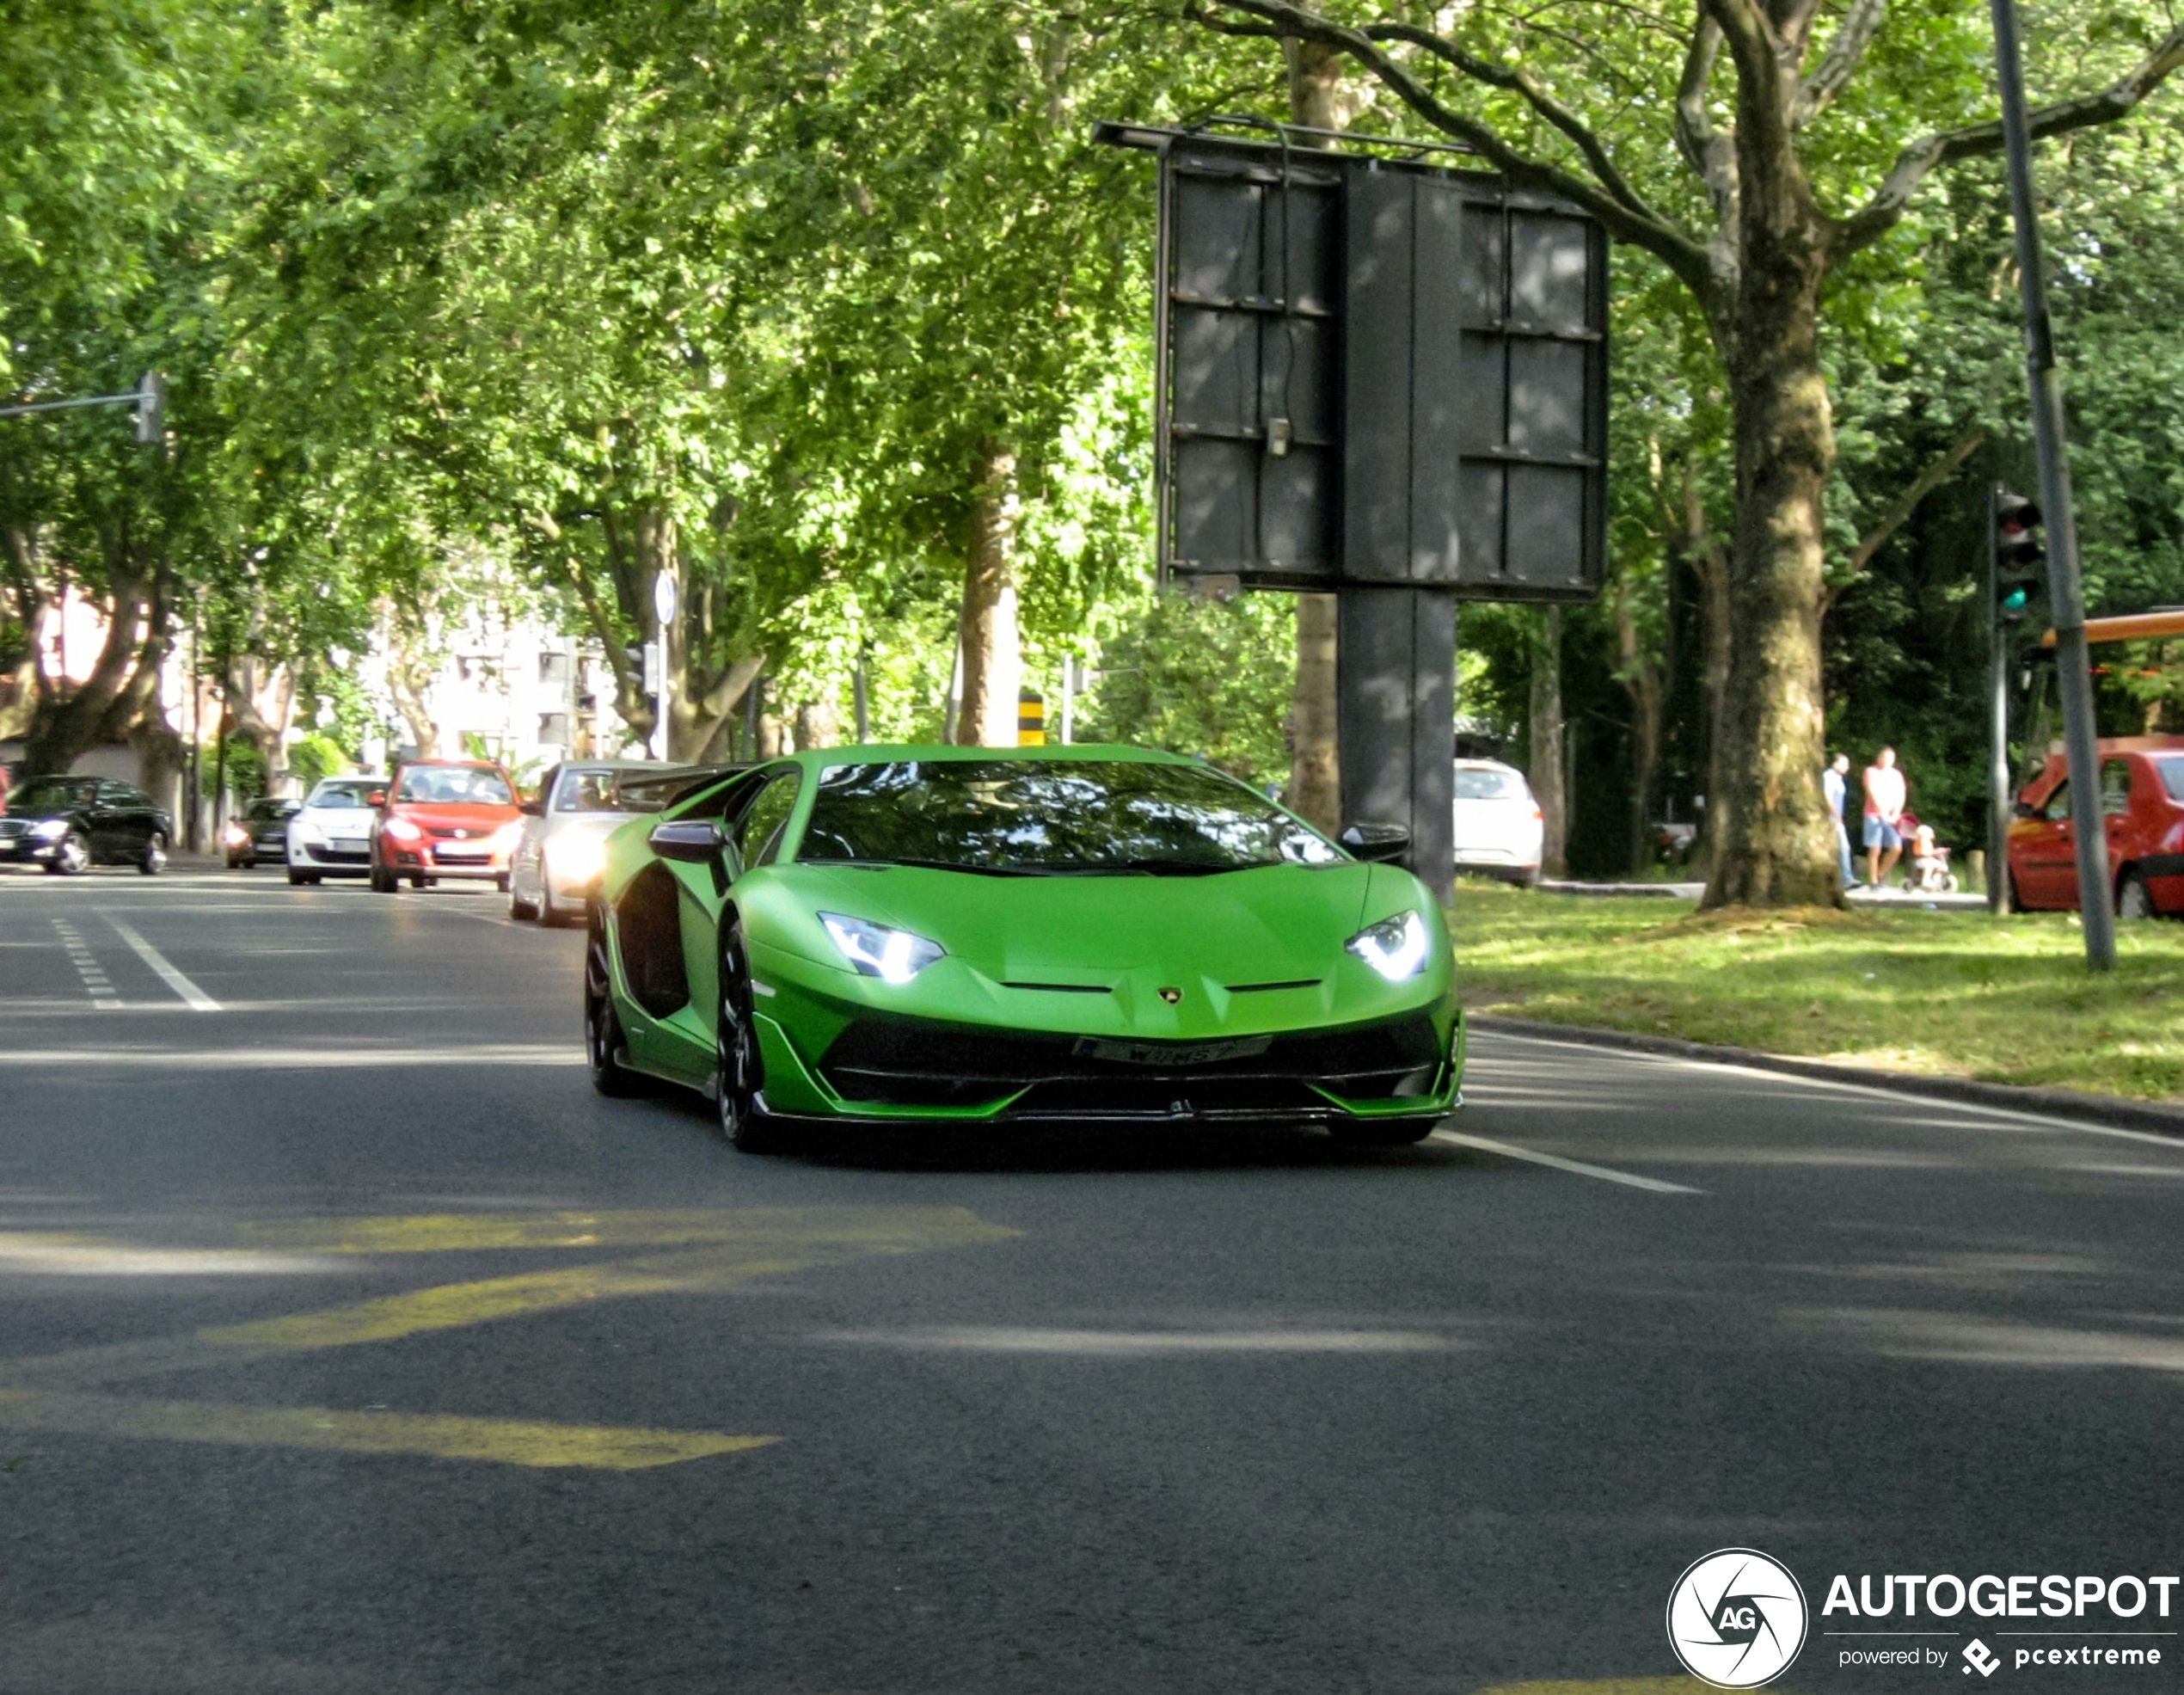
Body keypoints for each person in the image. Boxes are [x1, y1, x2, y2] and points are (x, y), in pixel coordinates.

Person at [1862, 746, 1907, 888]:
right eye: (1885, 758)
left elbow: (1901, 794)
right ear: (1879, 758)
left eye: (1891, 759)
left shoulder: (1896, 775)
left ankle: (1881, 875)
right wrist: (1883, 811)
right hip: (1873, 814)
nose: (1888, 761)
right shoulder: (1871, 771)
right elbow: (1871, 791)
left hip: (1891, 816)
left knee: (1896, 847)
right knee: (1875, 849)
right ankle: (1873, 881)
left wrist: (1896, 812)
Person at [1822, 752, 1855, 889]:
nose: (1847, 767)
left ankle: (1843, 879)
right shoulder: (1828, 777)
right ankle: (1847, 879)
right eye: (1845, 764)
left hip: (1836, 817)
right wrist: (1836, 816)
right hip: (1832, 818)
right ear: (1835, 763)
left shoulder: (1838, 778)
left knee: (1841, 848)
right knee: (1843, 847)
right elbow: (1828, 798)